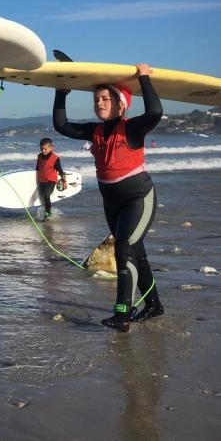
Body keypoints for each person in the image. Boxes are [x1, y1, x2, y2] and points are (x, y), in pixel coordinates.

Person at [53, 65, 164, 332]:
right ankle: (154, 305)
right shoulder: (96, 132)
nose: (99, 103)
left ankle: (123, 312)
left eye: (105, 99)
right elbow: (62, 125)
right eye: (96, 99)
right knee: (136, 253)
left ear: (121, 105)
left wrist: (144, 78)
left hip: (139, 197)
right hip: (112, 203)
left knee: (123, 247)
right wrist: (61, 93)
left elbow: (155, 111)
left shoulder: (133, 128)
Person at [35, 138, 67, 220]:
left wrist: (64, 181)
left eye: (45, 149)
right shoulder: (39, 156)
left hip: (51, 180)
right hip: (42, 180)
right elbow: (37, 169)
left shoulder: (55, 158)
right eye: (41, 148)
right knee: (43, 196)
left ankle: (48, 212)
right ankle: (47, 212)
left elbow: (60, 170)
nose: (43, 151)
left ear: (51, 147)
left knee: (46, 195)